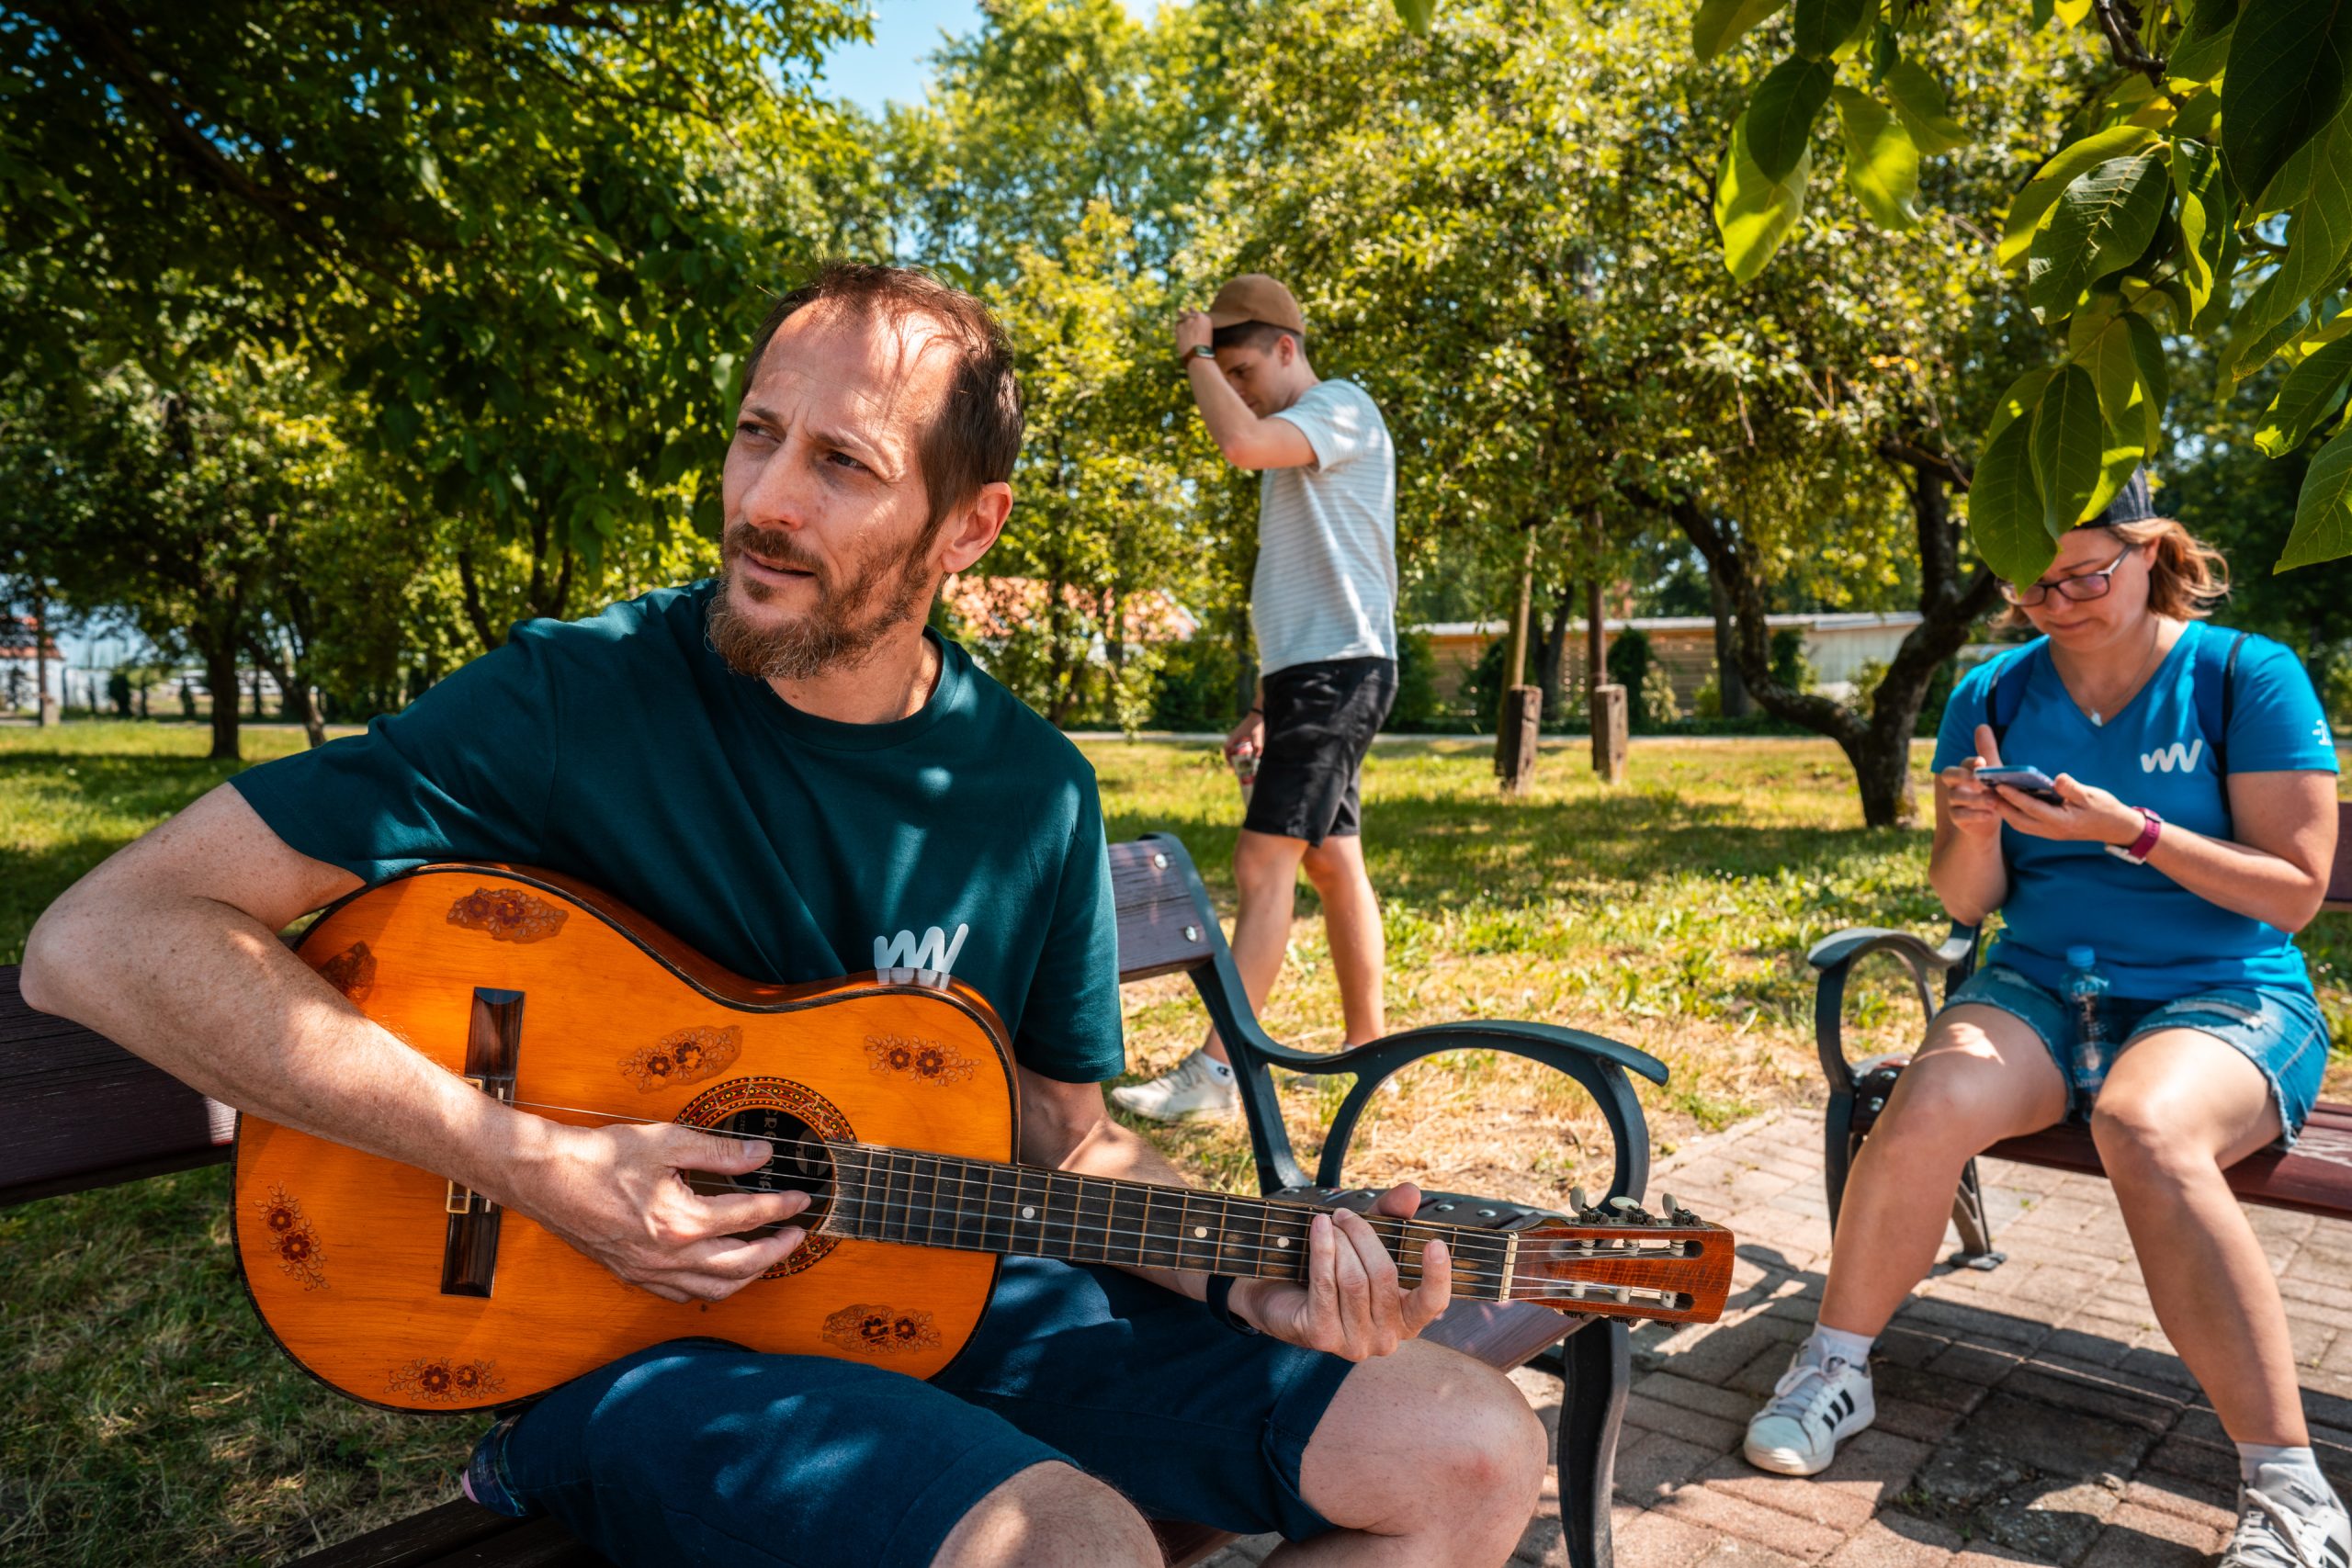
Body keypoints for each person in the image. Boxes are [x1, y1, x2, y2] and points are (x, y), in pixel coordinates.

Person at [19, 265, 1546, 1568]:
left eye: (841, 463)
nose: (761, 502)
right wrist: (532, 1162)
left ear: (968, 527)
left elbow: (1065, 1138)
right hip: (629, 1346)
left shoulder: (1029, 792)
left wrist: (1241, 1268)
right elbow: (100, 937)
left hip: (945, 1294)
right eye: (756, 434)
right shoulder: (577, 699)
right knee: (1072, 1545)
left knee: (1472, 1446)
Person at [1738, 475, 2346, 1568]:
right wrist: (1973, 829)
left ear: (2148, 550)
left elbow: (2296, 892)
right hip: (2041, 987)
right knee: (1925, 1100)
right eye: (2030, 585)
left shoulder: (2242, 676)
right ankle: (1833, 1370)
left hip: (2224, 990)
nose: (2055, 603)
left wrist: (2131, 831)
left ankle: (2288, 1486)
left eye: (2083, 577)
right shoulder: (1993, 690)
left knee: (2142, 1126)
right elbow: (1964, 902)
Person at [1114, 274, 1399, 1122]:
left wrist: (1196, 356)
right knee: (1332, 863)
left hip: (1336, 673)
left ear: (1286, 346)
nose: (1234, 392)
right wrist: (1269, 705)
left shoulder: (1341, 408)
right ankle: (1369, 1049)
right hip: (1315, 676)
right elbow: (1311, 584)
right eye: (1224, 376)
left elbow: (1237, 443)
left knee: (1260, 863)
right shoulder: (1301, 444)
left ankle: (1218, 1072)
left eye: (1242, 372)